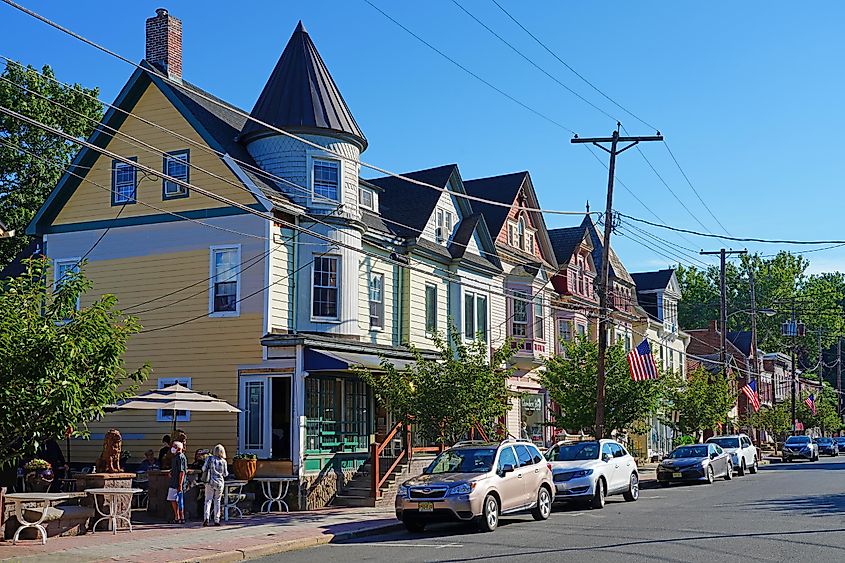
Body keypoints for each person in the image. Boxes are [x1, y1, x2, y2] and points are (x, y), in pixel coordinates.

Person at [202, 444, 229, 526]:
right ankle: (217, 520)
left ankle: (206, 518)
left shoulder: (209, 459)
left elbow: (204, 468)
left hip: (210, 481)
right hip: (220, 483)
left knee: (208, 500)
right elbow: (225, 474)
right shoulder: (224, 461)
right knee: (217, 501)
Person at [167, 440, 187, 524]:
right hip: (173, 482)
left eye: (174, 447)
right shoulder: (175, 457)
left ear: (179, 448)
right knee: (172, 499)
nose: (172, 448)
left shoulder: (181, 457)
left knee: (179, 500)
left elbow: (182, 471)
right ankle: (177, 516)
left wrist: (180, 484)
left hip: (177, 483)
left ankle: (181, 517)